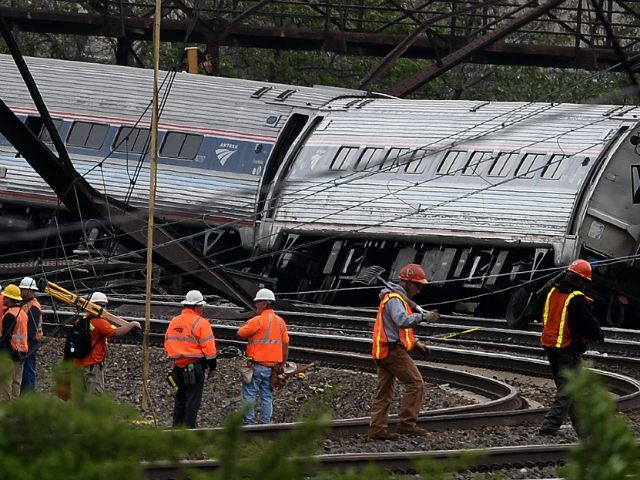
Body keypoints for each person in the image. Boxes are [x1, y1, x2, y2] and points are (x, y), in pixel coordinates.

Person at [368, 263, 440, 440]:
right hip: (393, 351)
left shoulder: (395, 298)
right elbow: (401, 321)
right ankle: (407, 424)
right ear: (407, 283)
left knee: (384, 392)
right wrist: (422, 317)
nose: (419, 290)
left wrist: (415, 344)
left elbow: (397, 329)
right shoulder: (395, 299)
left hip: (383, 350)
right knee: (416, 384)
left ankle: (377, 429)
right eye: (418, 285)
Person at [538, 259, 605, 437]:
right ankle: (549, 427)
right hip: (568, 349)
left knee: (571, 390)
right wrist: (599, 335)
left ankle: (583, 431)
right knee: (567, 390)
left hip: (550, 346)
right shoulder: (576, 298)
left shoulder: (552, 292)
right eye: (585, 281)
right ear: (581, 280)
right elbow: (588, 325)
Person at [164, 290, 217, 428]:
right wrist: (212, 366)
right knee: (193, 401)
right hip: (195, 367)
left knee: (180, 399)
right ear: (197, 306)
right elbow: (210, 349)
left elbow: (167, 343)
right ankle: (189, 432)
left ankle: (176, 429)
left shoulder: (174, 321)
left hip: (178, 367)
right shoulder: (201, 323)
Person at [72, 291, 141, 395]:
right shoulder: (99, 322)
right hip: (92, 365)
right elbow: (115, 332)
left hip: (79, 363)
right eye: (103, 306)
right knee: (95, 398)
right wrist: (132, 324)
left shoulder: (82, 320)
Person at [237, 288, 289, 425]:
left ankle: (249, 423)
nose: (255, 305)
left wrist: (251, 325)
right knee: (267, 396)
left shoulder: (257, 320)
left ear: (265, 304)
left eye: (257, 302)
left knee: (249, 394)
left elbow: (241, 333)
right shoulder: (280, 322)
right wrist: (283, 363)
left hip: (256, 366)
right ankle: (265, 423)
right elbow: (285, 344)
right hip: (273, 368)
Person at [0, 284, 28, 401]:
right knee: (17, 382)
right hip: (22, 352)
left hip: (10, 353)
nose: (3, 299)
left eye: (5, 297)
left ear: (10, 299)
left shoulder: (10, 315)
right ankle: (16, 408)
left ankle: (6, 409)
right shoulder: (23, 313)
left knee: (6, 384)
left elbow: (6, 338)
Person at [19, 277, 42, 393]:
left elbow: (31, 328)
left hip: (30, 342)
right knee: (27, 368)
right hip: (29, 341)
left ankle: (28, 393)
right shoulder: (27, 304)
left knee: (28, 368)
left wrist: (26, 343)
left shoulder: (33, 306)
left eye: (23, 289)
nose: (21, 291)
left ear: (30, 291)